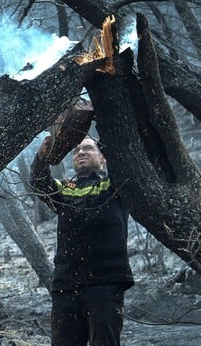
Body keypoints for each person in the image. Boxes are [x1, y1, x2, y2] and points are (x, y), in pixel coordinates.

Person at [30, 135, 134, 346]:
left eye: (88, 148)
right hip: (66, 288)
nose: (81, 153)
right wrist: (41, 158)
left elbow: (124, 161)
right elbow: (40, 185)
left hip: (105, 285)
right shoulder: (65, 190)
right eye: (76, 150)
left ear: (102, 157)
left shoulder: (114, 185)